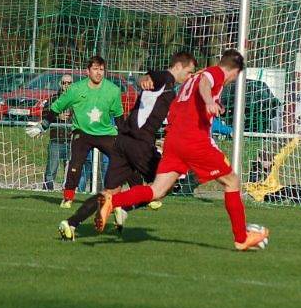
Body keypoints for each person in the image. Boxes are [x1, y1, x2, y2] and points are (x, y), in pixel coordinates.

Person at [92, 49, 269, 251]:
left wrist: (212, 103)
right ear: (235, 71)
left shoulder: (190, 80)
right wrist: (210, 101)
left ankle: (112, 201)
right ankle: (241, 237)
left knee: (157, 191)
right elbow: (206, 84)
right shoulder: (214, 73)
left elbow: (182, 104)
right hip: (193, 141)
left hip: (174, 140)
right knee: (232, 181)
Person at [58, 51, 198, 239]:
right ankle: (123, 207)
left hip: (122, 142)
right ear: (178, 66)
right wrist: (145, 78)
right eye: (189, 72)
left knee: (109, 192)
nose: (189, 76)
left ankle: (71, 223)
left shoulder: (169, 88)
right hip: (140, 144)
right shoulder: (166, 78)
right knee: (165, 186)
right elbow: (152, 76)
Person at [26, 55, 123, 208]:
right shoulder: (76, 89)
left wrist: (125, 138)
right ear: (87, 71)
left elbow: (119, 116)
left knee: (124, 158)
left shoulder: (113, 90)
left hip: (105, 133)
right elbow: (56, 107)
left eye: (102, 69)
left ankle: (143, 195)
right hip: (82, 133)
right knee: (75, 163)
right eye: (95, 69)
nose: (99, 73)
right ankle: (68, 198)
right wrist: (43, 125)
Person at [42, 74, 93, 193]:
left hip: (71, 140)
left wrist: (72, 115)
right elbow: (44, 115)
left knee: (71, 170)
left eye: (69, 83)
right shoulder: (53, 99)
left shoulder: (78, 98)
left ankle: (69, 192)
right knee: (51, 170)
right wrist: (57, 115)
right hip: (56, 140)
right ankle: (47, 190)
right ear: (60, 84)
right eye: (64, 83)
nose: (66, 85)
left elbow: (84, 116)